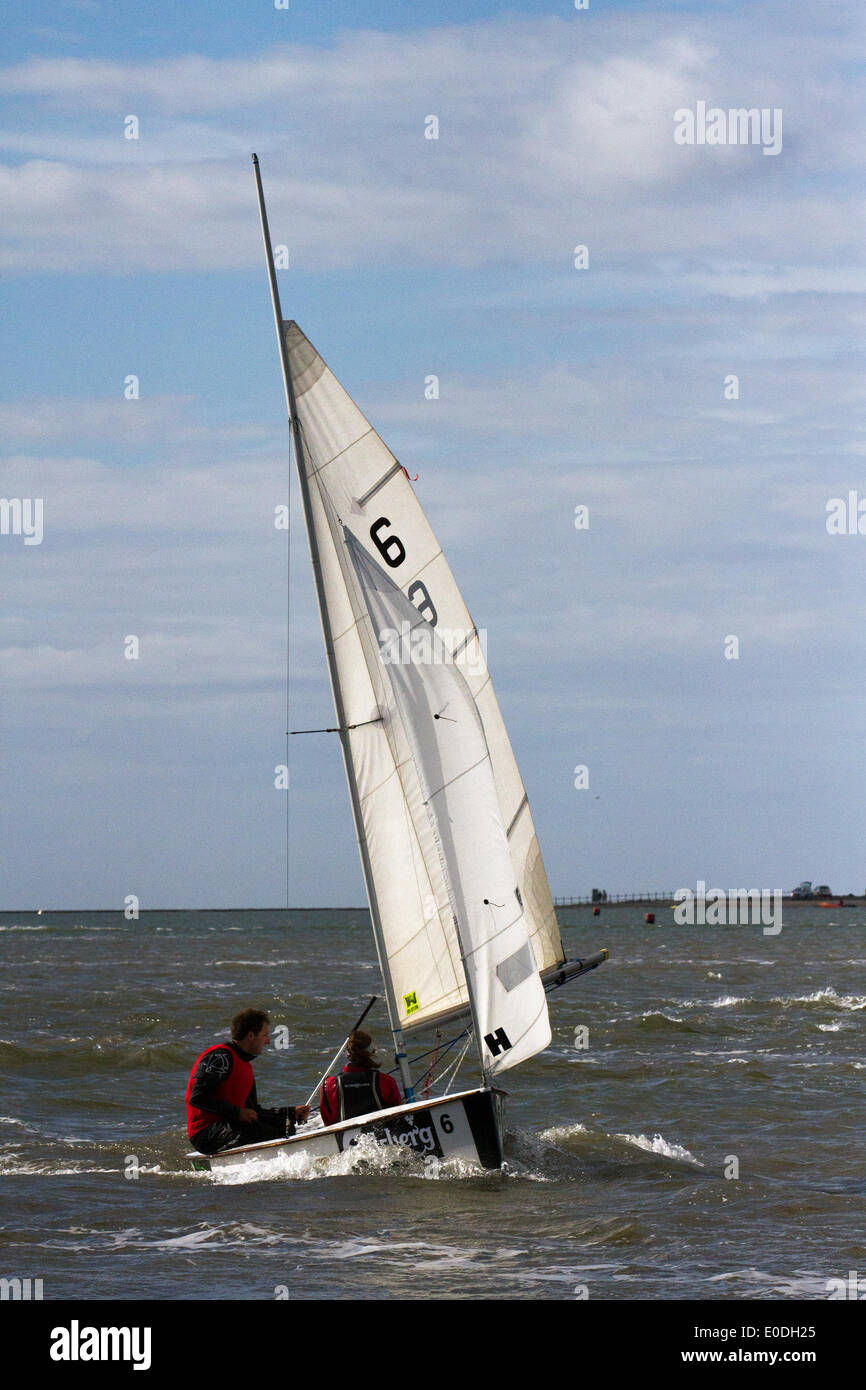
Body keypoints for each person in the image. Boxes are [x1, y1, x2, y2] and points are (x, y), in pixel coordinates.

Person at [186, 1008, 311, 1155]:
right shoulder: (220, 1058)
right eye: (265, 1035)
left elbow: (253, 1112)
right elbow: (197, 1097)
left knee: (284, 1125)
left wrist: (290, 1112)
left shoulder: (245, 1065)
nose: (269, 1041)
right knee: (258, 1131)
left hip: (231, 1123)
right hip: (206, 1134)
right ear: (251, 1036)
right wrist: (237, 1112)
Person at [319, 1029, 402, 1127]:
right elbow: (398, 1116)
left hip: (345, 1140)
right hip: (383, 1138)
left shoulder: (328, 1085)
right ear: (372, 1054)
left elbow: (328, 1123)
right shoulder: (386, 1081)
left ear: (347, 1055)